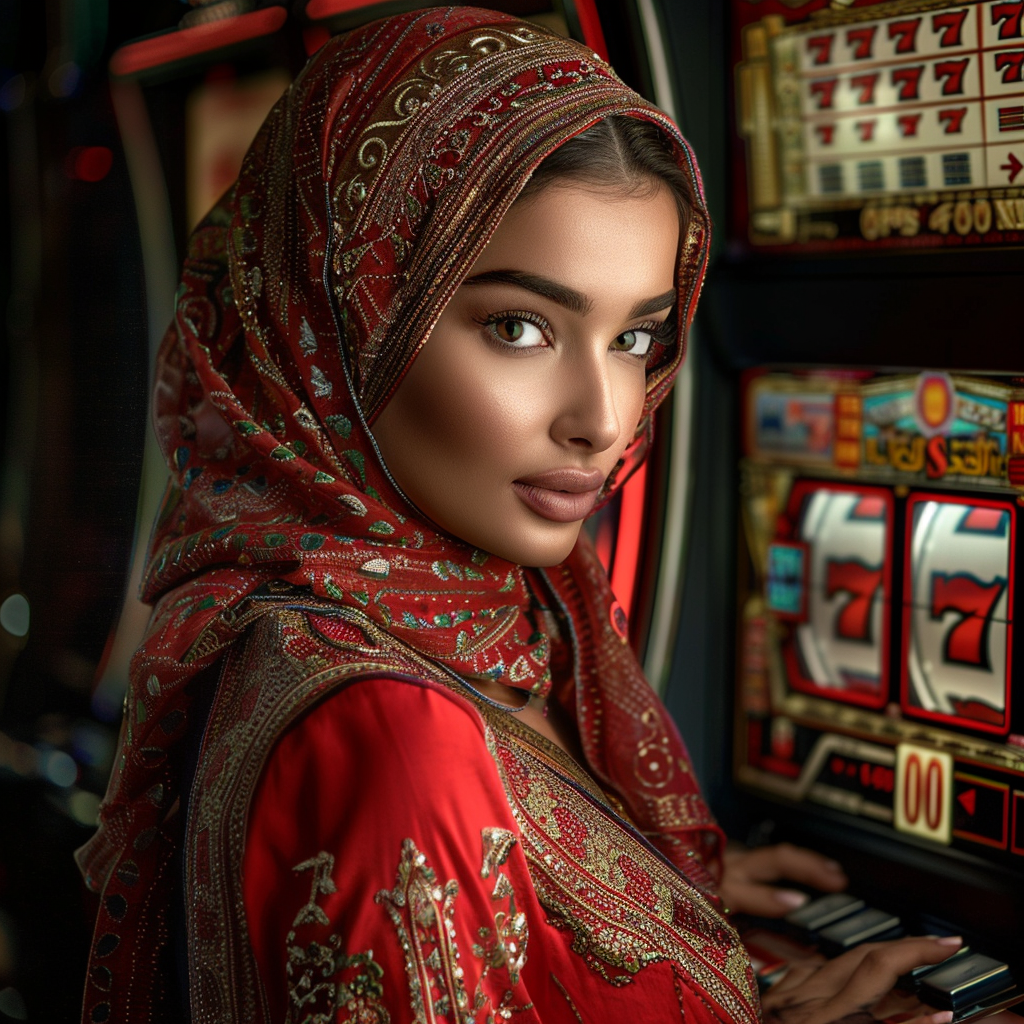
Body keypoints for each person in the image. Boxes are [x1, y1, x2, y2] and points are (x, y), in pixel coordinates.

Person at [76, 8, 964, 1023]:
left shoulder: (472, 624)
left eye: (635, 338)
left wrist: (664, 917)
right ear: (342, 314)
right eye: (519, 326)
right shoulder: (393, 738)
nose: (603, 420)